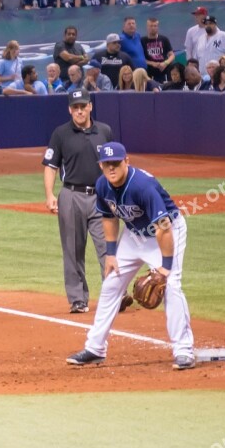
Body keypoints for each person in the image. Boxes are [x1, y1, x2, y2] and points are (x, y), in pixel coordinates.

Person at [66, 141, 195, 370]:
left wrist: (165, 268)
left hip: (165, 233)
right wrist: (111, 254)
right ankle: (95, 348)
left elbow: (163, 227)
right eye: (106, 165)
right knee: (111, 284)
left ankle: (184, 351)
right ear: (101, 166)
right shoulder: (102, 185)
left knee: (172, 286)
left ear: (127, 161)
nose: (111, 169)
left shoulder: (142, 186)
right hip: (134, 236)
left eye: (116, 163)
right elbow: (108, 217)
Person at [43, 90, 130, 314]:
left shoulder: (105, 130)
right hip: (71, 195)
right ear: (69, 109)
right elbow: (51, 165)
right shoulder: (60, 133)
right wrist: (50, 195)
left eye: (83, 106)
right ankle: (77, 299)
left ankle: (115, 295)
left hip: (101, 196)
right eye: (75, 107)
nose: (79, 110)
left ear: (90, 106)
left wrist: (119, 191)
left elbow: (116, 164)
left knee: (108, 247)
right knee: (73, 249)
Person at [141, 17, 175, 84]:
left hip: (165, 71)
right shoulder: (142, 40)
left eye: (155, 26)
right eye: (151, 26)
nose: (153, 28)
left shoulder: (164, 39)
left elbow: (172, 55)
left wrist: (165, 63)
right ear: (147, 27)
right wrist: (152, 63)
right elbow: (141, 58)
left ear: (158, 27)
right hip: (150, 72)